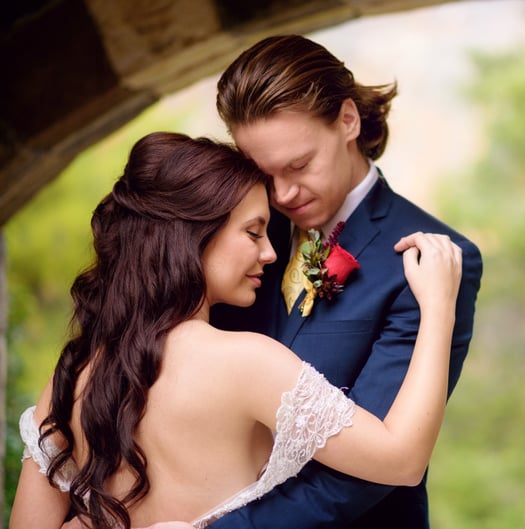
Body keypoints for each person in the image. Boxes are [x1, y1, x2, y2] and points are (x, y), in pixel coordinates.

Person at [8, 132, 463, 529]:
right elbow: (401, 460)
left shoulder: (73, 377)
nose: (269, 253)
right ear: (192, 235)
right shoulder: (247, 361)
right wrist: (440, 307)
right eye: (253, 232)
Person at [209, 34, 483, 529]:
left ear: (348, 120)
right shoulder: (232, 233)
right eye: (263, 173)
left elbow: (372, 471)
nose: (283, 193)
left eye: (299, 165)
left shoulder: (429, 260)